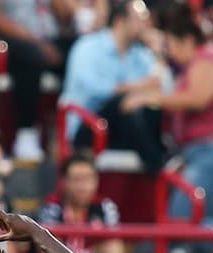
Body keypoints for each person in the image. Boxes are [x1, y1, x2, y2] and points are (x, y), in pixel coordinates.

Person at [124, 2, 213, 227]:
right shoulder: (197, 62)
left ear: (186, 40)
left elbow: (198, 98)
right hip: (210, 151)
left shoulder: (207, 57)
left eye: (171, 45)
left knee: (185, 221)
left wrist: (149, 98)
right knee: (199, 222)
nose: (170, 52)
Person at [61, 0, 168, 173]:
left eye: (146, 20)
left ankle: (163, 155)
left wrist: (158, 54)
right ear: (120, 21)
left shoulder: (140, 53)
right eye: (139, 19)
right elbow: (94, 90)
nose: (145, 25)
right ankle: (159, 164)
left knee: (150, 106)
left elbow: (163, 89)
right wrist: (137, 88)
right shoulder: (88, 47)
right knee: (123, 102)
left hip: (125, 128)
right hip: (89, 126)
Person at [0, 0, 73, 160]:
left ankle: (71, 133)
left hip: (42, 40)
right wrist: (38, 44)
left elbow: (65, 16)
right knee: (29, 57)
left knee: (77, 52)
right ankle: (26, 132)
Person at [37, 153, 129, 253]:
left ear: (97, 181)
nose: (83, 187)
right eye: (76, 180)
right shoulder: (52, 208)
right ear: (63, 182)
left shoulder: (104, 207)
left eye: (88, 179)